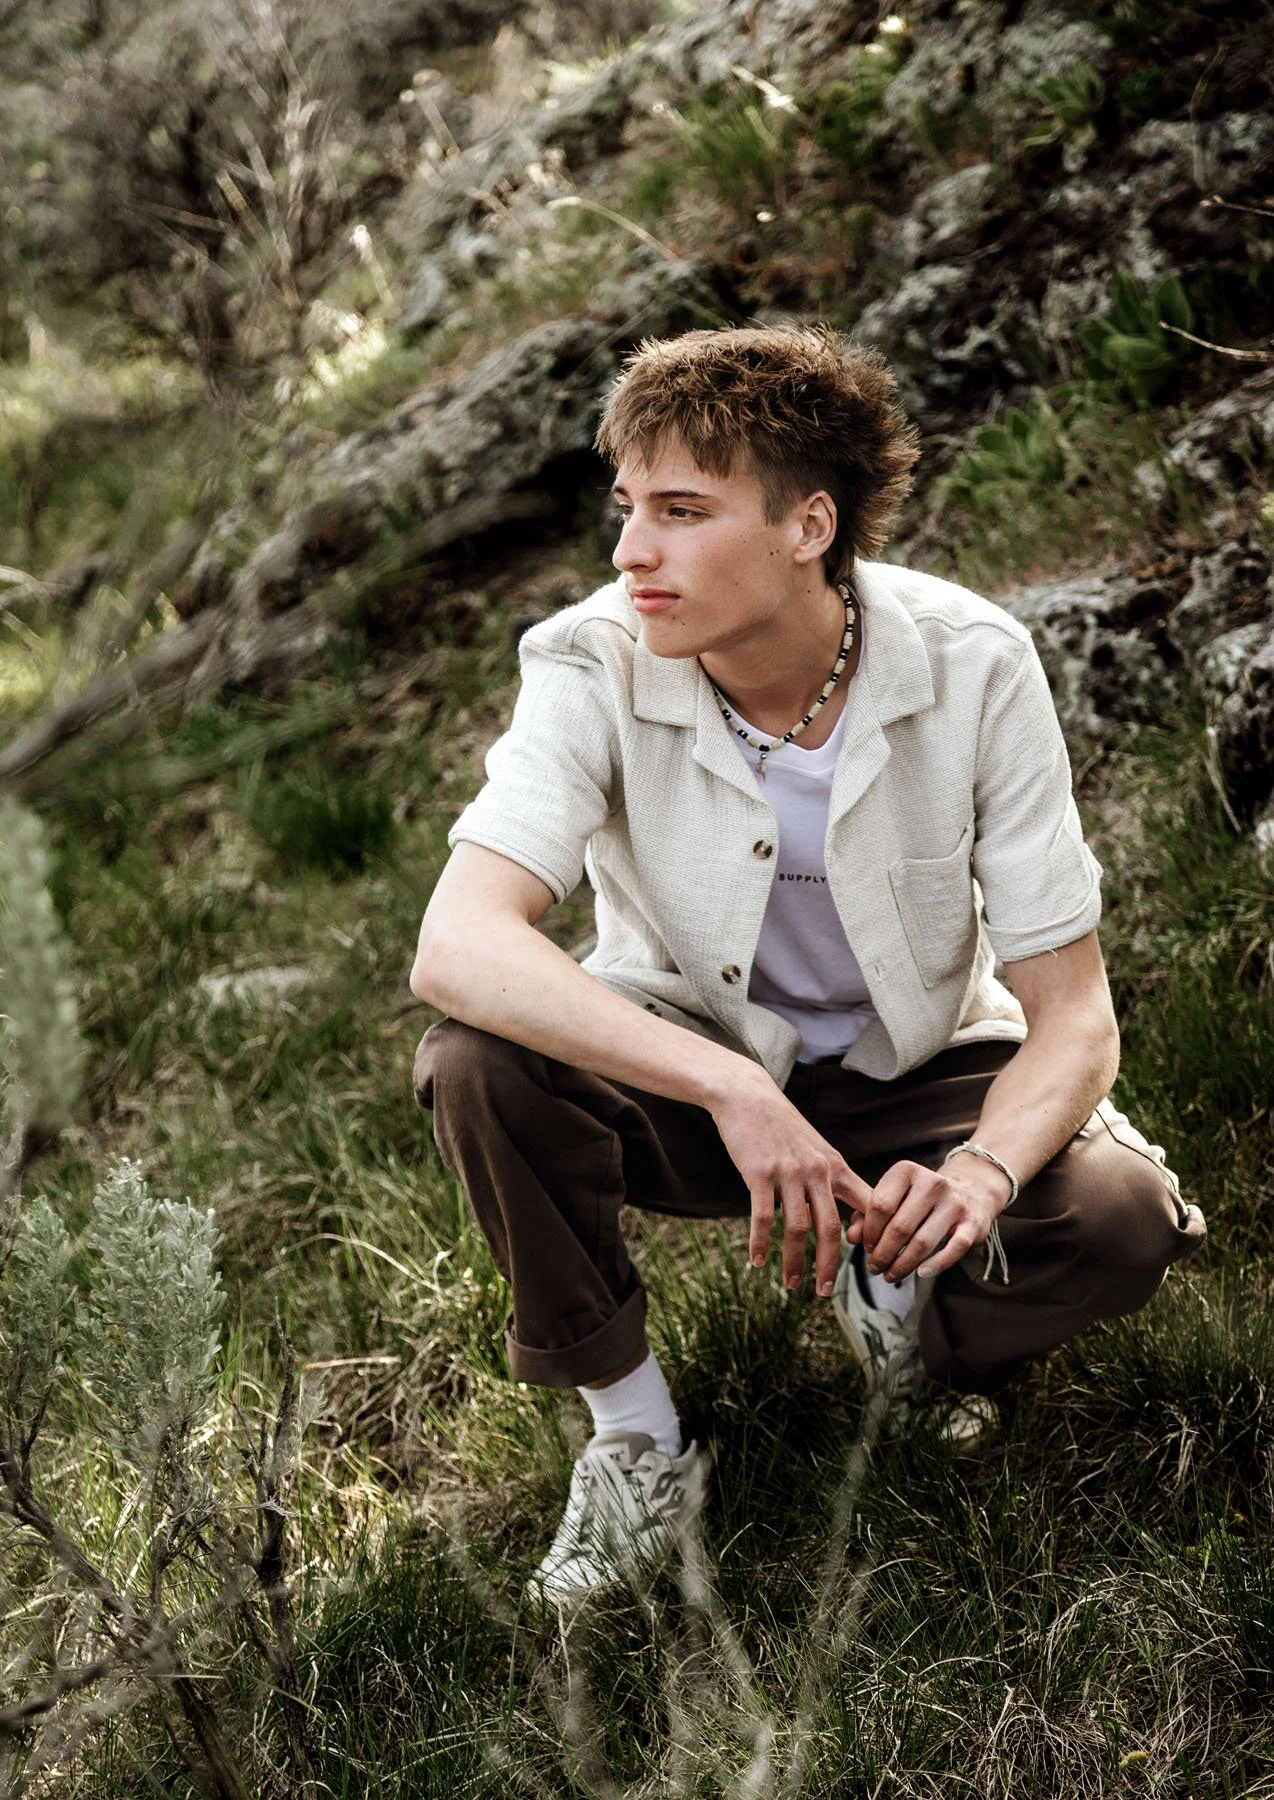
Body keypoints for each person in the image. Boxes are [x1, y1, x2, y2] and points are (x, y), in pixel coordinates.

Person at [407, 325, 1205, 1607]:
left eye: (680, 511)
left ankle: (909, 1306)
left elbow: (1073, 1020)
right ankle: (631, 1437)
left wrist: (986, 1172)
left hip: (930, 1064)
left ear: (807, 526)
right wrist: (734, 1093)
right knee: (476, 1062)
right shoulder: (586, 660)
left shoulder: (974, 665)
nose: (629, 553)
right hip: (698, 1068)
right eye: (626, 510)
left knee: (1120, 1221)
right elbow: (458, 946)